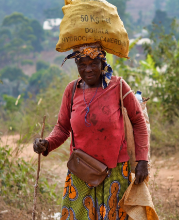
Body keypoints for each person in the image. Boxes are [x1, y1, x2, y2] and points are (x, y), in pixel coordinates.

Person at [33, 43, 149, 220]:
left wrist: (142, 160)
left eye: (93, 63)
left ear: (103, 63)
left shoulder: (118, 86)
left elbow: (138, 122)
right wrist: (47, 143)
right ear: (77, 66)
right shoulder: (71, 90)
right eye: (82, 64)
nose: (88, 69)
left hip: (115, 171)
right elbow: (63, 128)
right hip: (81, 171)